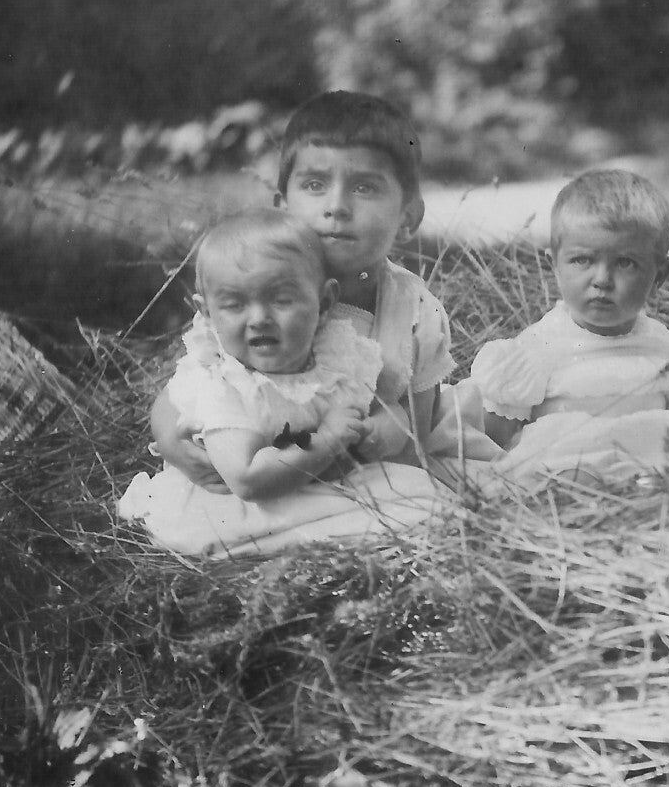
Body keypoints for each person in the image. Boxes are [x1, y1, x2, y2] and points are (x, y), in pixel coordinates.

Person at [149, 91, 499, 493]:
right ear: (283, 206)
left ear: (408, 217)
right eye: (315, 185)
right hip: (259, 464)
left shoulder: (414, 310)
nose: (336, 206)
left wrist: (394, 427)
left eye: (364, 188)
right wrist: (170, 439)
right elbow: (187, 384)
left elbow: (419, 422)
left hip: (363, 473)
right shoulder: (250, 292)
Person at [119, 210, 445, 556]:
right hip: (249, 501)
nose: (259, 318)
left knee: (422, 494)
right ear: (207, 313)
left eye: (281, 300)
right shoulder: (227, 383)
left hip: (319, 481)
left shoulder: (335, 353)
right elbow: (247, 480)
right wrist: (328, 440)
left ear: (324, 303)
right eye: (234, 305)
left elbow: (385, 405)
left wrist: (381, 428)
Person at [465, 168, 669, 487]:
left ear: (659, 275)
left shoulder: (665, 347)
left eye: (625, 263)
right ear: (555, 267)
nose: (602, 279)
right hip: (566, 470)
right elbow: (492, 439)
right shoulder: (536, 350)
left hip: (650, 472)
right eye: (583, 260)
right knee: (575, 481)